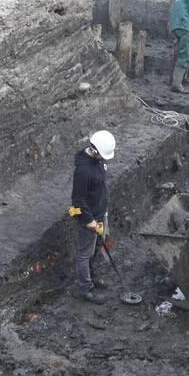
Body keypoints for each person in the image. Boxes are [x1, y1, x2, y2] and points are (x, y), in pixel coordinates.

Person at [68, 130, 116, 304]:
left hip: (100, 213)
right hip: (89, 218)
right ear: (94, 150)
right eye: (102, 155)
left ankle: (93, 276)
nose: (103, 158)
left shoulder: (99, 160)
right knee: (84, 254)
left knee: (97, 247)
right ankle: (86, 288)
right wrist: (90, 222)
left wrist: (103, 214)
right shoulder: (83, 172)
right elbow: (77, 203)